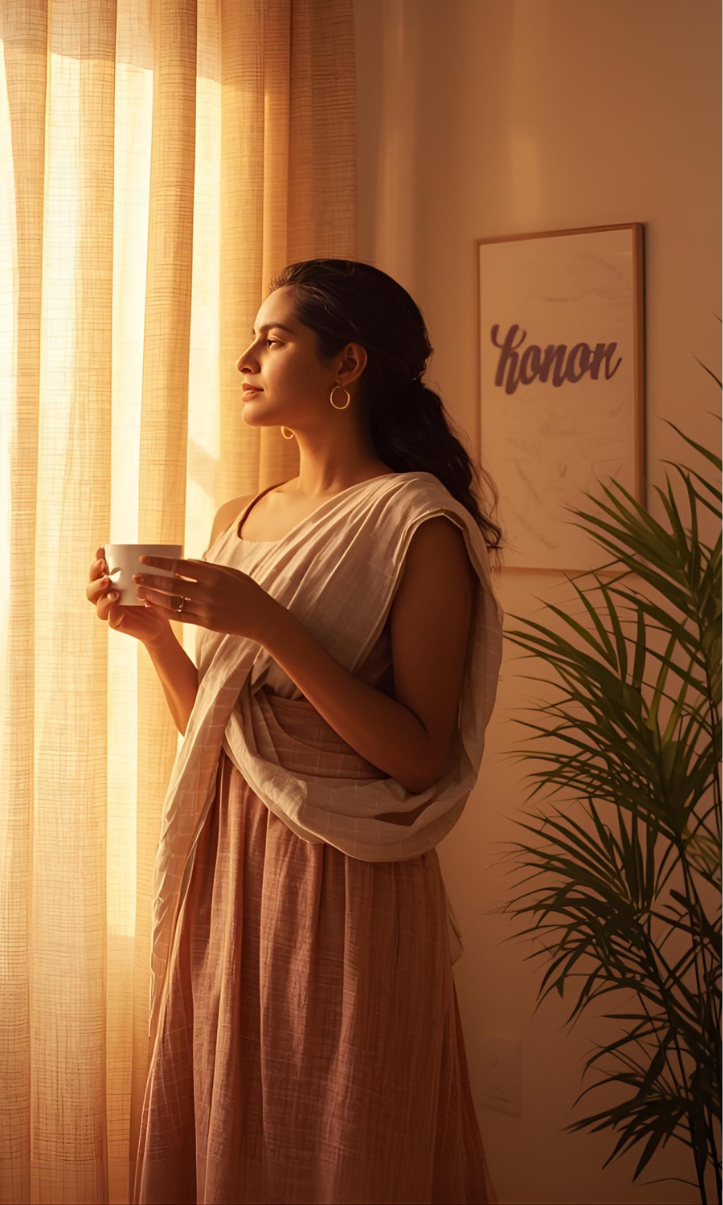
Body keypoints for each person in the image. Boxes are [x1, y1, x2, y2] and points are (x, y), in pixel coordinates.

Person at [86, 259, 504, 1204]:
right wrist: (159, 639)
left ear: (345, 363)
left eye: (273, 339)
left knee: (349, 1144)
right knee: (234, 1130)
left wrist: (270, 622)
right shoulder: (243, 517)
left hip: (348, 883)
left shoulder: (416, 524)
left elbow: (417, 753)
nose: (245, 357)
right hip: (233, 869)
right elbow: (224, 736)